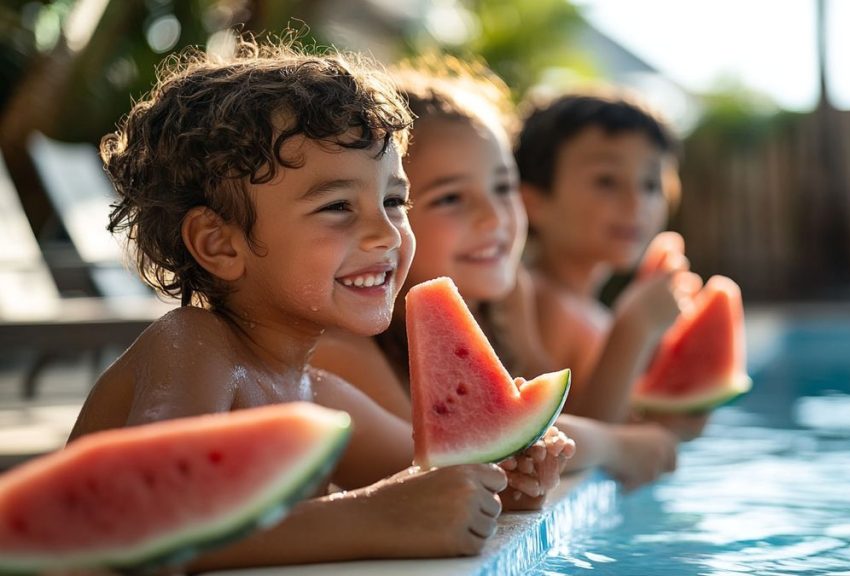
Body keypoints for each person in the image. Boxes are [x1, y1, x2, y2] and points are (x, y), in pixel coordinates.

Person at [66, 39, 539, 571]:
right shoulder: (193, 346)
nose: (386, 233)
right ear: (219, 243)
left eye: (393, 201)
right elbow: (143, 521)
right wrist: (373, 519)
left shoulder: (318, 395)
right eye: (338, 206)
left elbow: (429, 482)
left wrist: (503, 479)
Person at [312, 56, 678, 492]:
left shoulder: (506, 301)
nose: (494, 218)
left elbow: (535, 421)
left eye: (502, 188)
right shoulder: (345, 348)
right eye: (451, 199)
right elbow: (451, 463)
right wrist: (617, 445)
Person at [514, 90, 709, 438]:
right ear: (534, 202)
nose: (636, 202)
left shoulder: (589, 311)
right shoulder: (542, 301)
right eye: (606, 181)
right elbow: (556, 442)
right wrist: (635, 329)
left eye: (651, 184)